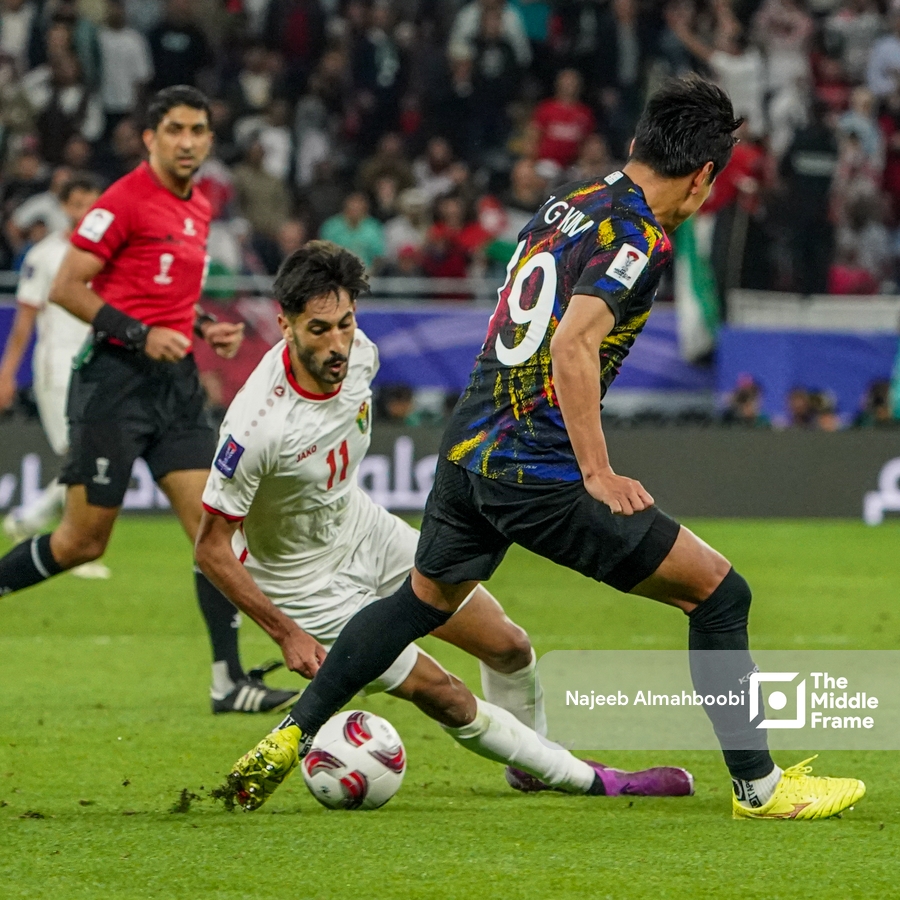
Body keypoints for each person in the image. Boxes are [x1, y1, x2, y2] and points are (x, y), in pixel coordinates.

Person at [227, 76, 865, 821]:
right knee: (719, 594)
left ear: (634, 146)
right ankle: (760, 788)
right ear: (704, 179)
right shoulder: (639, 236)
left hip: (469, 445)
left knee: (422, 600)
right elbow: (572, 345)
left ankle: (292, 731)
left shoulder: (570, 202)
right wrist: (595, 470)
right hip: (536, 467)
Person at [200, 241, 693, 805]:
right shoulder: (257, 426)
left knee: (508, 647)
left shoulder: (362, 355)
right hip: (302, 583)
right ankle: (589, 778)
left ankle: (531, 761)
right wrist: (285, 631)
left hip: (365, 531)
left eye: (345, 323)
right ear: (283, 324)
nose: (337, 344)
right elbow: (211, 548)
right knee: (443, 694)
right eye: (319, 330)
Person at [0, 85, 297, 715]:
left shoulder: (198, 209)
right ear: (150, 138)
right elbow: (66, 288)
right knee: (82, 542)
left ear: (210, 140)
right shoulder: (124, 200)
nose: (187, 141)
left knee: (213, 533)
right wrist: (141, 335)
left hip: (175, 387)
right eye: (175, 131)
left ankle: (228, 680)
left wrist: (198, 330)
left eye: (198, 131)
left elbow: (164, 302)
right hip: (113, 383)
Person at [0, 173, 110, 579]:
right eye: (76, 202)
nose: (84, 210)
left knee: (84, 454)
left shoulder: (109, 252)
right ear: (63, 207)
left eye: (91, 202)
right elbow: (25, 321)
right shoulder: (44, 255)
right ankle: (72, 543)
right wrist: (7, 373)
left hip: (97, 363)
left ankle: (31, 522)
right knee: (78, 454)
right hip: (57, 366)